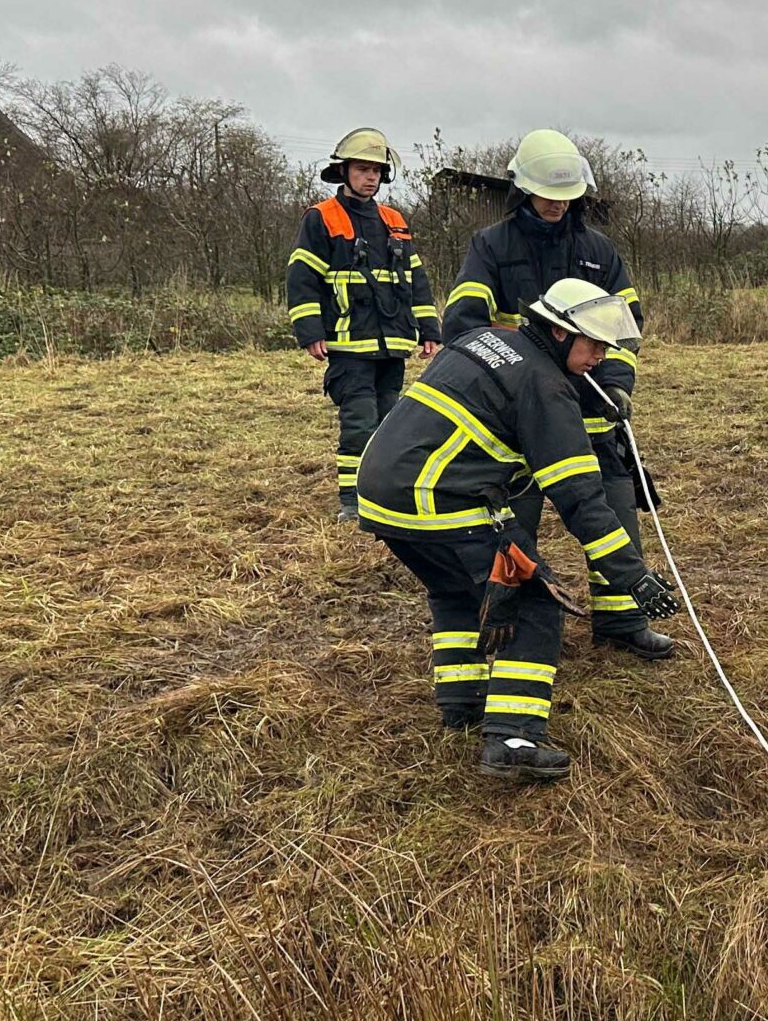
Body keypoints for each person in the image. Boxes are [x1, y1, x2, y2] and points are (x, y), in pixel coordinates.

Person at [356, 280, 680, 782]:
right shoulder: (544, 388)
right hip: (437, 500)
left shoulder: (485, 339)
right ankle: (514, 738)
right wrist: (631, 575)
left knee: (457, 589)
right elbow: (581, 501)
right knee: (531, 598)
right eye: (592, 343)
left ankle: (462, 702)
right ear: (556, 330)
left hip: (380, 493)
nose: (601, 355)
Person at [441, 129, 675, 660]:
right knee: (511, 527)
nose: (556, 205)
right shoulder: (491, 246)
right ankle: (508, 626)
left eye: (566, 196)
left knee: (611, 511)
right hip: (518, 416)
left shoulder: (597, 251)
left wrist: (615, 384)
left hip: (590, 411)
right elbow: (463, 321)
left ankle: (621, 620)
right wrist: (500, 378)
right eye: (546, 193)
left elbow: (627, 324)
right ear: (522, 190)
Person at [284, 129, 439, 520]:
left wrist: (430, 331)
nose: (370, 177)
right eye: (362, 169)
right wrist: (311, 331)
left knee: (389, 423)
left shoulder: (394, 221)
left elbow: (415, 279)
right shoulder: (322, 218)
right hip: (349, 346)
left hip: (392, 343)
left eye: (376, 170)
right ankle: (352, 502)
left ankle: (381, 494)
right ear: (344, 171)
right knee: (359, 422)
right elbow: (302, 277)